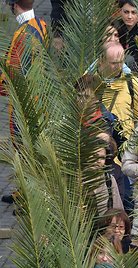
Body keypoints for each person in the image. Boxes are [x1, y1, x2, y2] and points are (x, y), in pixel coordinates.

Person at [0, 0, 47, 204]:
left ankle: (28, 195)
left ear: (13, 6)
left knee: (24, 146)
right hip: (38, 98)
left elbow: (14, 71)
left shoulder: (23, 34)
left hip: (25, 101)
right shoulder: (41, 25)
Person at [87, 43, 138, 140]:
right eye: (113, 63)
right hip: (96, 145)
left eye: (121, 62)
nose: (118, 67)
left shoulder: (132, 83)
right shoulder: (88, 82)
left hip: (125, 145)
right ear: (101, 60)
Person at [117, 0, 138, 72]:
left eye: (133, 12)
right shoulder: (114, 28)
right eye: (126, 12)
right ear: (120, 12)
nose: (129, 16)